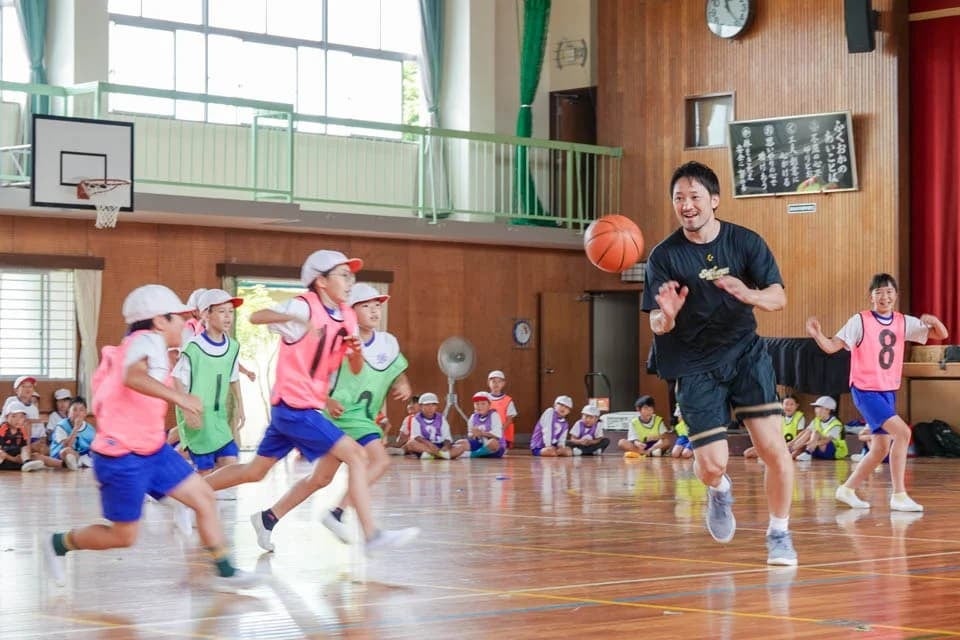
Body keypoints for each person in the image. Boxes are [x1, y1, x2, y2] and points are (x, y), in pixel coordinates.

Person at [202, 250, 420, 553]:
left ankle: (195, 493)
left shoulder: (346, 317)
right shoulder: (302, 306)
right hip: (295, 408)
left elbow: (355, 368)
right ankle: (370, 534)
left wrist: (356, 352)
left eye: (351, 276)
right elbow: (255, 316)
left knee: (255, 471)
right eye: (343, 275)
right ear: (321, 281)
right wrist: (293, 318)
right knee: (357, 456)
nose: (350, 281)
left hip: (302, 408)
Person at [43, 284, 256, 589]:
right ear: (159, 321)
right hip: (121, 457)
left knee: (204, 497)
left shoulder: (150, 346)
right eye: (178, 317)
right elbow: (132, 376)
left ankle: (226, 572)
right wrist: (182, 399)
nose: (184, 322)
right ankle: (57, 544)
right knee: (123, 536)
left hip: (153, 450)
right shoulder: (145, 341)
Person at [642, 161, 797, 566]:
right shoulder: (664, 256)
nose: (686, 205)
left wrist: (750, 294)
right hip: (693, 364)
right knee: (711, 465)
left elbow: (778, 297)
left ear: (714, 200)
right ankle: (718, 489)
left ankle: (779, 533)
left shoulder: (745, 242)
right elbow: (656, 322)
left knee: (774, 450)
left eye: (694, 196)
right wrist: (667, 316)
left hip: (745, 355)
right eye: (679, 198)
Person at [806, 272, 948, 512]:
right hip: (865, 390)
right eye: (879, 292)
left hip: (887, 391)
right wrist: (817, 334)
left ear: (896, 295)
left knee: (881, 447)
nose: (884, 297)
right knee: (903, 433)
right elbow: (831, 347)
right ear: (871, 297)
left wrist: (934, 320)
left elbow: (941, 334)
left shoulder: (902, 321)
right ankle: (899, 494)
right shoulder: (860, 321)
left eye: (889, 292)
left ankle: (847, 489)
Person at [321, 282, 412, 542]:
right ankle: (342, 515)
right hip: (345, 413)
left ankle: (269, 517)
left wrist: (403, 383)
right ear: (351, 312)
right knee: (380, 461)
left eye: (377, 306)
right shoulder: (340, 341)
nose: (374, 311)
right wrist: (326, 400)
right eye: (366, 306)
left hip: (364, 415)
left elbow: (397, 372)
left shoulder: (388, 342)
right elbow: (315, 378)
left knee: (320, 479)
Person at [173, 289, 245, 477]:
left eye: (231, 311)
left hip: (218, 416)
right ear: (206, 315)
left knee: (230, 463)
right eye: (222, 311)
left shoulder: (233, 346)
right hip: (198, 414)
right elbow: (177, 378)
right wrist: (187, 410)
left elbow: (233, 377)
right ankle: (182, 484)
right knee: (205, 470)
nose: (228, 317)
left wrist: (240, 406)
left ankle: (185, 481)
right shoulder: (193, 347)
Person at [401, 392, 463, 459]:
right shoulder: (416, 419)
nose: (430, 408)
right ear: (421, 406)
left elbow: (447, 437)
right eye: (427, 405)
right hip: (425, 446)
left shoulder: (441, 418)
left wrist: (446, 447)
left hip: (440, 445)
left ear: (436, 406)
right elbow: (416, 437)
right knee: (411, 443)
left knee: (460, 447)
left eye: (433, 405)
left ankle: (432, 455)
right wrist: (430, 444)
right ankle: (442, 455)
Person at [747, 394, 805, 459]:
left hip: (792, 445)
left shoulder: (799, 417)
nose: (788, 407)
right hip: (779, 445)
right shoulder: (779, 417)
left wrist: (790, 445)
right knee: (748, 453)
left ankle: (774, 455)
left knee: (794, 454)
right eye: (786, 404)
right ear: (782, 405)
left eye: (791, 404)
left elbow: (799, 435)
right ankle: (774, 454)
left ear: (796, 406)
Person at [791, 397, 847, 461]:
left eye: (819, 407)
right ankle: (790, 450)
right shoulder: (816, 420)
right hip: (815, 448)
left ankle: (807, 453)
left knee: (816, 432)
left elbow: (826, 440)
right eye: (816, 407)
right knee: (808, 432)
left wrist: (812, 443)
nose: (816, 409)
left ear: (828, 410)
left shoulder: (836, 424)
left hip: (831, 452)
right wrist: (792, 442)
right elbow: (805, 432)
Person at [3, 376, 47, 455]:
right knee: (27, 425)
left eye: (30, 386)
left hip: (32, 439)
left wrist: (41, 441)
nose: (27, 389)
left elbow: (40, 431)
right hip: (13, 437)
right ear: (16, 390)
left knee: (44, 449)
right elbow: (11, 422)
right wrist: (37, 420)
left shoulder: (34, 408)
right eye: (23, 386)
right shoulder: (12, 401)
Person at [455, 391, 506, 458]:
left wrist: (481, 433)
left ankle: (473, 454)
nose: (479, 406)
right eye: (477, 404)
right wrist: (473, 434)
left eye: (483, 404)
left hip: (494, 448)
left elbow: (497, 435)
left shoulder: (494, 415)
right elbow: (470, 434)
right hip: (480, 444)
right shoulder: (473, 417)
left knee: (493, 442)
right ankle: (480, 453)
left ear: (489, 405)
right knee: (459, 442)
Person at [50, 397, 96, 470]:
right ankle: (78, 463)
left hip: (81, 455)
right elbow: (67, 445)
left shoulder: (90, 429)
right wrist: (76, 428)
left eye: (81, 410)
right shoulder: (61, 426)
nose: (78, 413)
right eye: (74, 410)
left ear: (85, 413)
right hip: (61, 455)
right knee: (66, 451)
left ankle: (78, 462)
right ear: (68, 412)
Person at [0, 400, 45, 472]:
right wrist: (12, 458)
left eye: (21, 417)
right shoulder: (3, 428)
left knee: (25, 448)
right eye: (14, 416)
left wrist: (24, 456)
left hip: (15, 457)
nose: (17, 420)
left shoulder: (22, 430)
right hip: (4, 457)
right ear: (7, 417)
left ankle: (26, 462)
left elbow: (24, 446)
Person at [487, 371, 518, 449]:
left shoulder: (508, 400)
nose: (496, 384)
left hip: (503, 434)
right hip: (487, 433)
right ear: (488, 383)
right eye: (493, 381)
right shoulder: (484, 398)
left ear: (503, 383)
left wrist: (499, 431)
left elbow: (509, 419)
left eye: (499, 381)